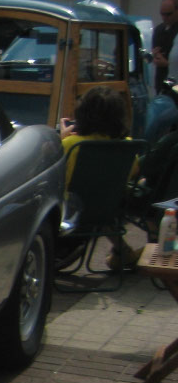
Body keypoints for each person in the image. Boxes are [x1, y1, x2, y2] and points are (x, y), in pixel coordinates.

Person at [59, 85, 139, 267]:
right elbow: (133, 173)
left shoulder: (71, 145)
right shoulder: (127, 146)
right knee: (100, 196)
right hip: (106, 211)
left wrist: (61, 138)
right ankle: (123, 251)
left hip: (69, 213)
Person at [145, 0, 178, 142]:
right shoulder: (159, 29)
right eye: (162, 14)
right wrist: (154, 57)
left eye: (168, 14)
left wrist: (167, 63)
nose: (164, 18)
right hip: (162, 81)